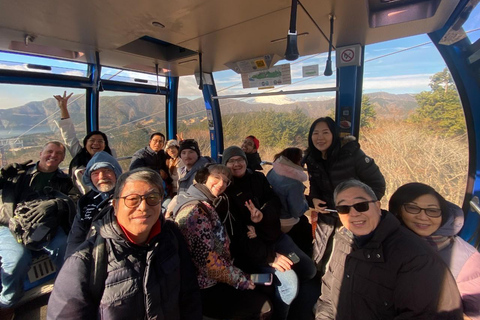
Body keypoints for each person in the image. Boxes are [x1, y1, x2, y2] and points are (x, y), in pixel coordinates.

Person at [47, 168, 202, 319]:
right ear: (115, 205)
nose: (143, 207)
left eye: (152, 198)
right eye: (132, 199)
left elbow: (189, 295)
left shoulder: (171, 237)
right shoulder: (85, 261)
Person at [316, 179, 463, 320]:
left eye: (361, 205)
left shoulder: (416, 258)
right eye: (343, 208)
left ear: (378, 206)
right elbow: (328, 297)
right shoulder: (343, 241)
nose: (353, 213)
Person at [222, 146, 319, 320]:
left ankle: (291, 299)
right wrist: (271, 258)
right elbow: (239, 238)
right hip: (256, 252)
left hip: (277, 238)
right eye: (231, 161)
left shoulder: (258, 178)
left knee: (309, 270)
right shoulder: (226, 193)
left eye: (240, 159)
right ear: (225, 164)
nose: (237, 164)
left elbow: (273, 200)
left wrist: (262, 216)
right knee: (290, 284)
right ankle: (279, 314)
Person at [175, 164, 272, 319]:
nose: (221, 184)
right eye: (216, 177)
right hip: (203, 286)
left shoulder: (208, 203)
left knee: (264, 288)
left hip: (215, 276)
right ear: (204, 178)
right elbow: (207, 261)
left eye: (226, 181)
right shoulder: (195, 211)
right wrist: (240, 279)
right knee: (263, 307)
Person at [0, 141, 74, 316]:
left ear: (62, 158)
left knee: (65, 249)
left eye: (58, 154)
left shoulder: (64, 180)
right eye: (49, 151)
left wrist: (56, 203)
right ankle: (8, 302)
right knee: (17, 260)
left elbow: (75, 200)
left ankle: (67, 291)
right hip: (10, 224)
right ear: (41, 153)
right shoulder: (19, 174)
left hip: (46, 227)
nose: (53, 156)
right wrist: (3, 175)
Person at [303, 117, 386, 273]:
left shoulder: (352, 154)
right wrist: (314, 199)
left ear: (334, 134)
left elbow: (377, 184)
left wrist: (359, 208)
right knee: (321, 256)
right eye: (316, 133)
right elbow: (315, 183)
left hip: (352, 217)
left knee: (344, 260)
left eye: (325, 132)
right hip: (327, 215)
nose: (320, 138)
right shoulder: (312, 158)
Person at [389, 182, 480, 320]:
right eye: (413, 208)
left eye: (432, 211)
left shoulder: (466, 259)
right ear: (398, 211)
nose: (423, 217)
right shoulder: (387, 242)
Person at [65, 151, 122, 258]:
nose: (102, 176)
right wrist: (71, 261)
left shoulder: (128, 197)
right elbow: (76, 237)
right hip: (88, 254)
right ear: (89, 178)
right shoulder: (85, 201)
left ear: (116, 173)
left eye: (107, 170)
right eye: (95, 173)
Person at [54, 91, 113, 195]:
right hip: (82, 197)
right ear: (86, 144)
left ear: (105, 145)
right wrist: (63, 108)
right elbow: (68, 134)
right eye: (92, 141)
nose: (96, 143)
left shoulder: (110, 159)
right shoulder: (79, 155)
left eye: (100, 141)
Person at [266, 147, 313, 256]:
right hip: (285, 221)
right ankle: (302, 258)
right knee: (305, 228)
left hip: (271, 215)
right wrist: (306, 203)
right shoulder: (294, 183)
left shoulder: (273, 171)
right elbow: (297, 211)